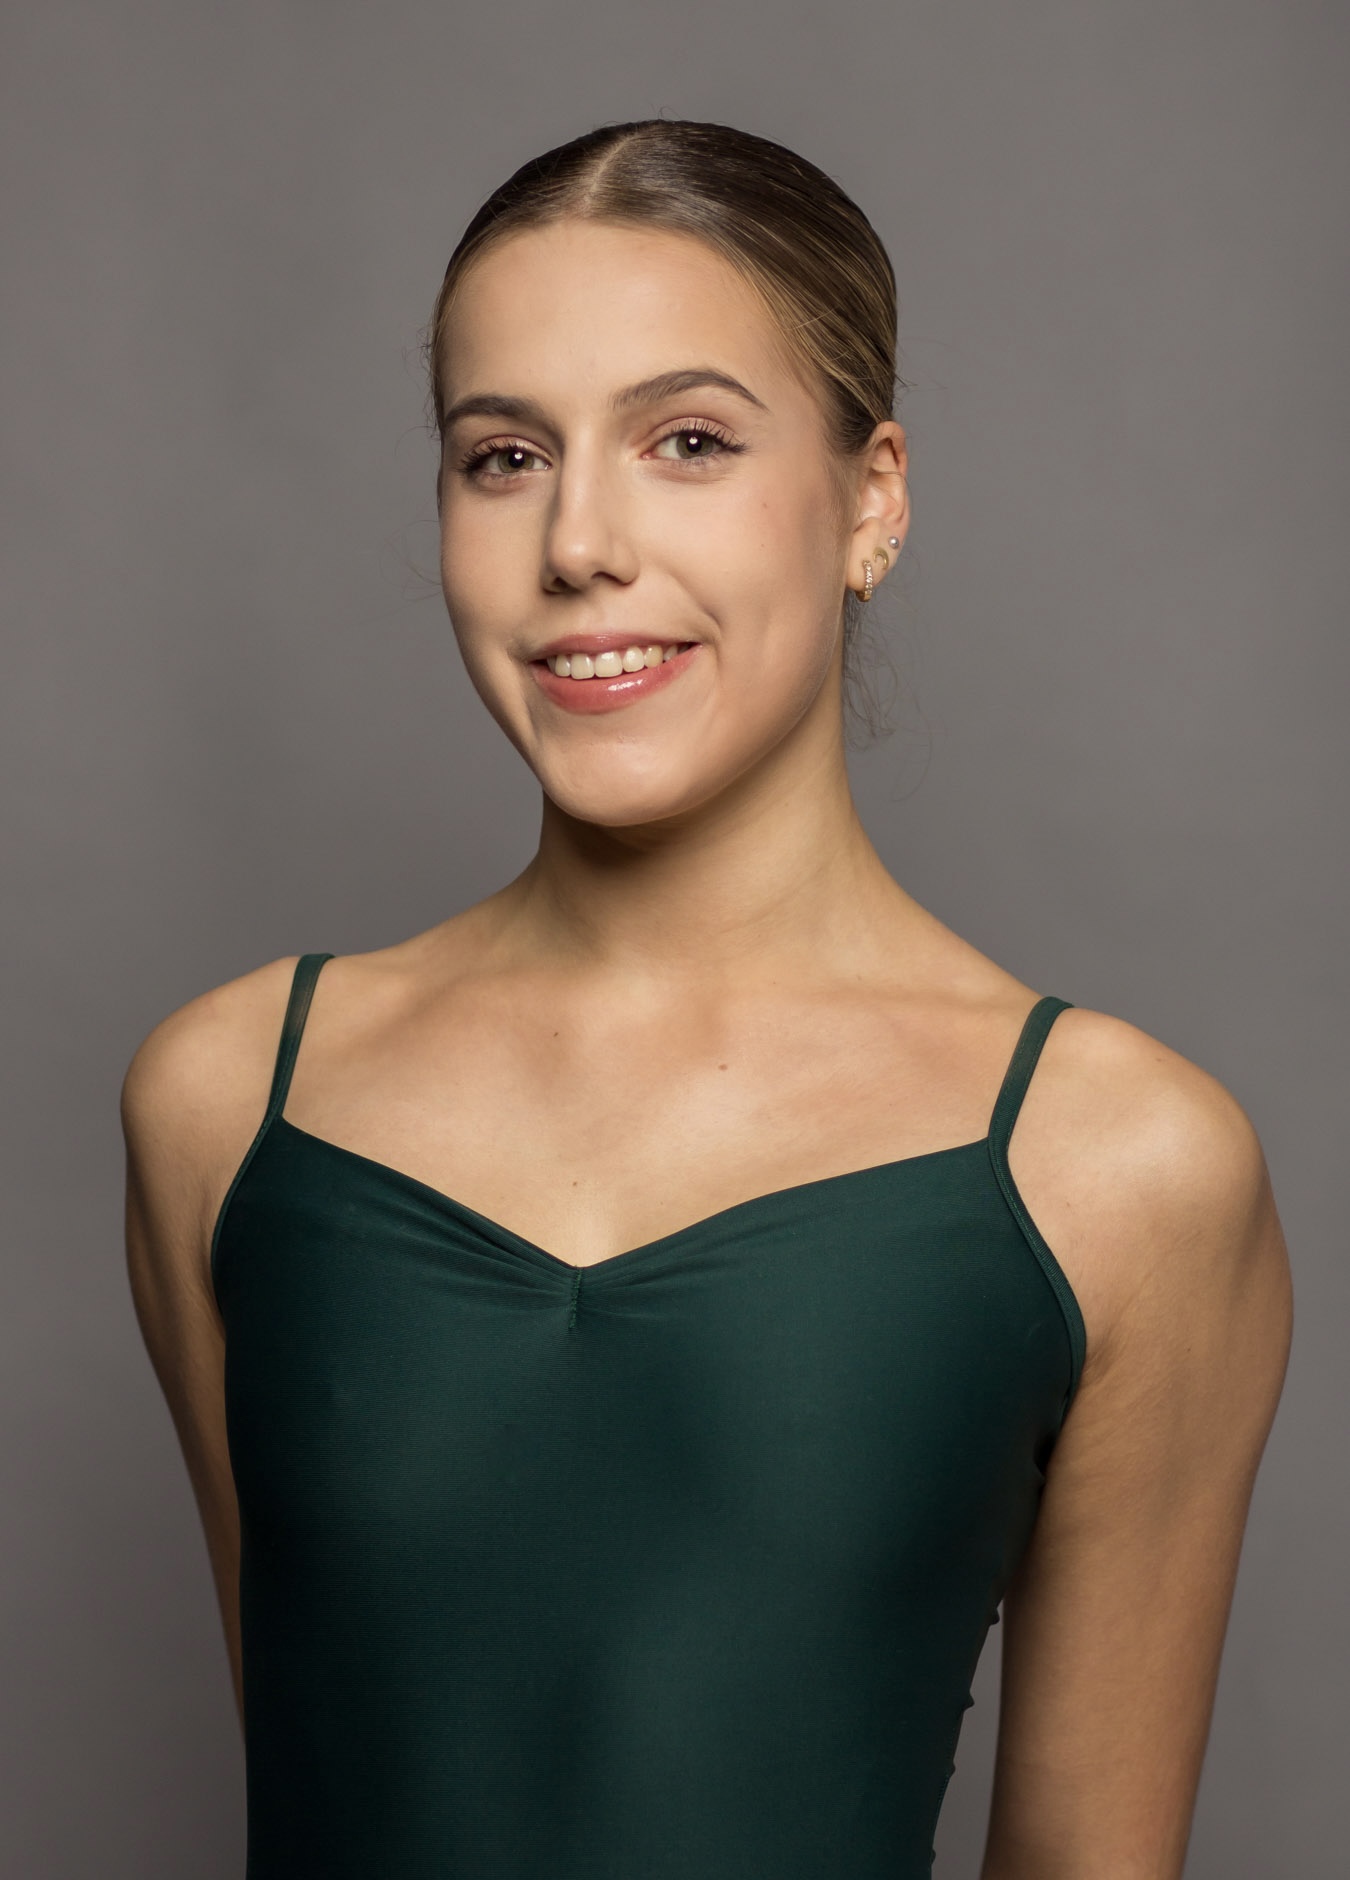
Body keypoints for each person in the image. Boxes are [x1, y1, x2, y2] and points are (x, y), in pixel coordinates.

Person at [121, 119, 1292, 1880]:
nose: (579, 542)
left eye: (686, 442)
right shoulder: (226, 1106)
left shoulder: (1120, 1170)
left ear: (870, 500)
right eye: (503, 456)